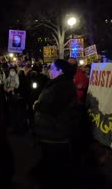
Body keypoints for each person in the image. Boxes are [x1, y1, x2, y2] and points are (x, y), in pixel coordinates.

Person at [33, 59, 77, 188]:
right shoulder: (58, 83)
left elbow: (52, 107)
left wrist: (37, 106)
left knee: (55, 167)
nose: (49, 70)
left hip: (55, 133)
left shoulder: (62, 86)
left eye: (52, 68)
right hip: (51, 132)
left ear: (60, 71)